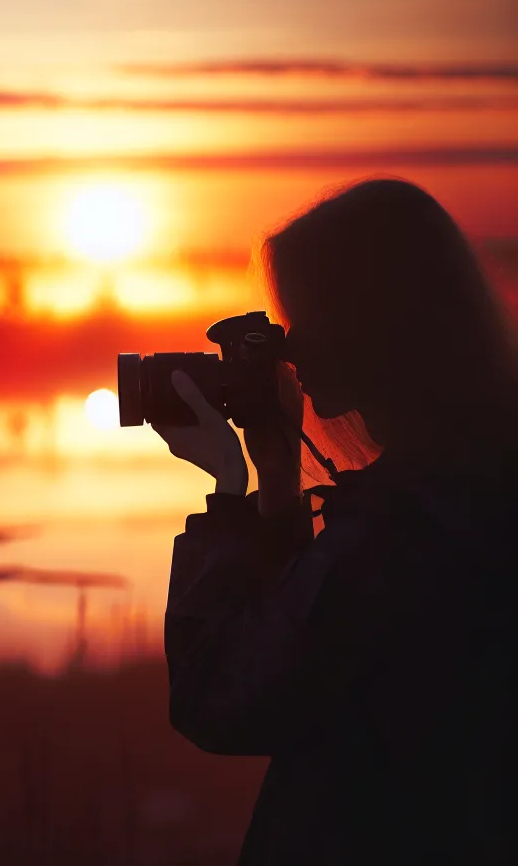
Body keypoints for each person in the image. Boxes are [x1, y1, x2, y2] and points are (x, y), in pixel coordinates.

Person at [156, 178, 516, 865]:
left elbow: (221, 697)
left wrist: (229, 493)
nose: (291, 353)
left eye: (305, 321)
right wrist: (278, 478)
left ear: (375, 323)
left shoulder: (403, 529)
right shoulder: (475, 485)